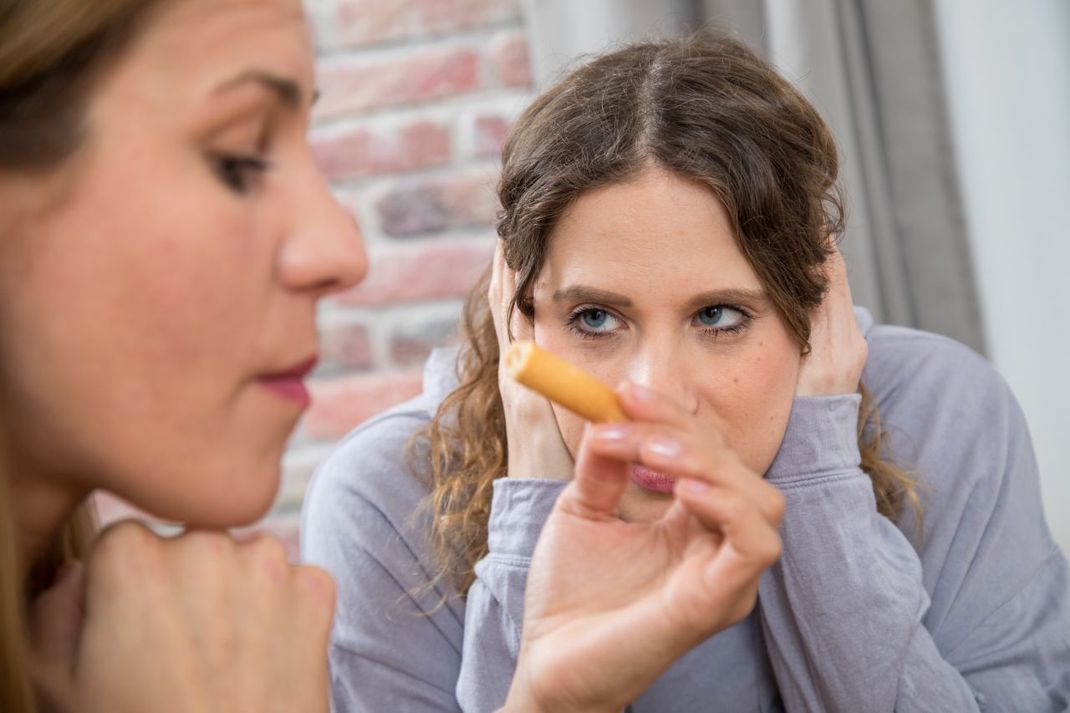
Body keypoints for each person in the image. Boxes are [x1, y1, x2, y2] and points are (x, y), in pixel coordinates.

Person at [0, 3, 783, 711]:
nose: (343, 251)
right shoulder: (380, 501)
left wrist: (552, 696)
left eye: (718, 315)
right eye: (238, 158)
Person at [302, 32, 1070, 712]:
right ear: (522, 311)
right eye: (595, 318)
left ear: (816, 304)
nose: (653, 395)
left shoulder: (945, 414)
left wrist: (817, 479)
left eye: (719, 316)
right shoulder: (383, 502)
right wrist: (532, 503)